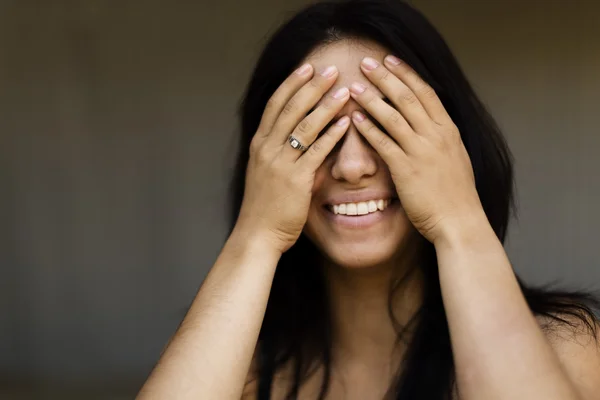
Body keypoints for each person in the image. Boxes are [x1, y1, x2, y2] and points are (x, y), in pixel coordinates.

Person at [137, 0, 600, 399]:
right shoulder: (234, 370)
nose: (352, 166)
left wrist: (459, 221)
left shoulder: (564, 346)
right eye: (315, 131)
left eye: (385, 126)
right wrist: (257, 235)